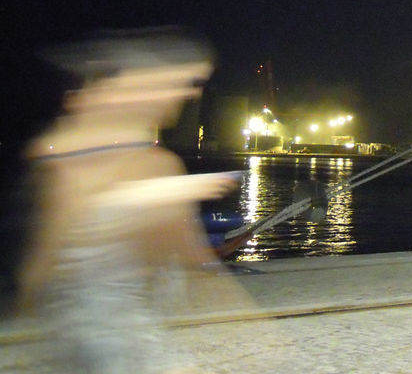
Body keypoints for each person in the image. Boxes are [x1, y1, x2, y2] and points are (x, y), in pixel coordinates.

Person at [16, 30, 244, 372]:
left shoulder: (64, 152)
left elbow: (44, 258)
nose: (190, 94)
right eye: (182, 83)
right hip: (117, 335)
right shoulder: (152, 164)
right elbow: (181, 254)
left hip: (84, 327)